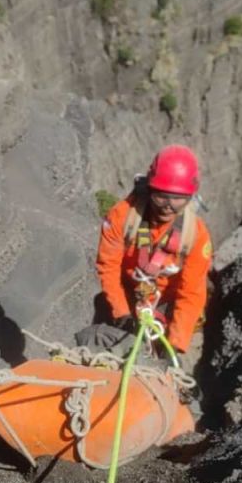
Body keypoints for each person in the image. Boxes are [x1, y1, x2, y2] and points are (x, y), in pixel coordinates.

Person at [77, 145, 213, 358]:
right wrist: (121, 313)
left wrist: (175, 345)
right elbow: (108, 266)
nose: (168, 206)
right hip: (126, 293)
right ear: (150, 189)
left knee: (161, 362)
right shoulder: (122, 217)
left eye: (177, 199)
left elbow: (192, 293)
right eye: (162, 197)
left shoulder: (196, 235)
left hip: (167, 304)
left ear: (190, 198)